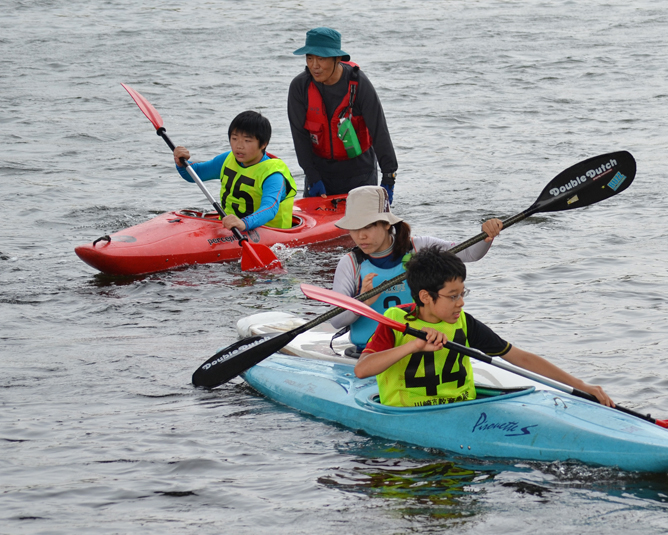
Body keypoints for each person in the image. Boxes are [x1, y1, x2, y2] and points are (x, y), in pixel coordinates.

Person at [354, 247, 614, 408]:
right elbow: (362, 370)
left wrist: (582, 385)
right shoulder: (396, 323)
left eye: (462, 293)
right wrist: (414, 345)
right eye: (453, 296)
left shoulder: (464, 323)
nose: (461, 302)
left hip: (462, 409)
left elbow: (519, 357)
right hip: (409, 414)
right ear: (425, 297)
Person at [330, 186, 502, 356]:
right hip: (370, 355)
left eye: (367, 227)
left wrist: (486, 234)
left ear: (387, 224)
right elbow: (336, 320)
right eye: (354, 228)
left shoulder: (419, 248)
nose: (360, 236)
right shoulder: (350, 264)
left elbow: (470, 253)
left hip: (422, 348)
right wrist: (363, 302)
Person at [287, 27, 398, 203]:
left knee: (362, 228)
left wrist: (388, 175)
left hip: (359, 171)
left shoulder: (359, 84)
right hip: (320, 172)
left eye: (321, 58)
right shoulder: (299, 87)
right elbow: (299, 136)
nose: (314, 65)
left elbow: (379, 130)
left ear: (337, 59)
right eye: (309, 58)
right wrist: (312, 175)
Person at [173, 111, 297, 231]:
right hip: (231, 229)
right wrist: (181, 162)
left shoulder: (273, 174)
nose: (239, 146)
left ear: (263, 144)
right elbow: (195, 174)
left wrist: (244, 223)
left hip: (270, 233)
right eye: (234, 138)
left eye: (247, 141)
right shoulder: (227, 159)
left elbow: (269, 208)